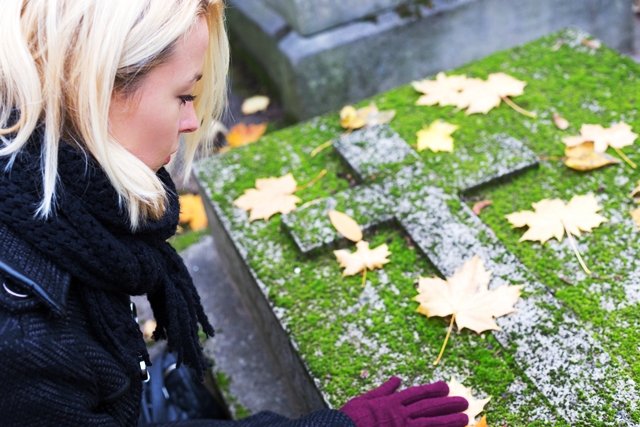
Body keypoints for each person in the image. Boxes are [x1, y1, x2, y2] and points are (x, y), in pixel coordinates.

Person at [0, 1, 470, 426]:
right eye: (185, 95)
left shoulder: (62, 211)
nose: (191, 122)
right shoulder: (26, 337)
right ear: (97, 90)